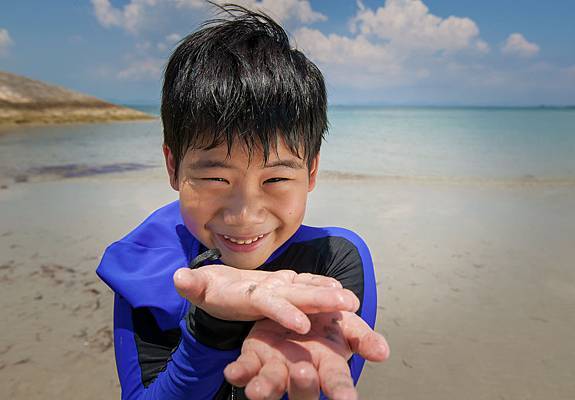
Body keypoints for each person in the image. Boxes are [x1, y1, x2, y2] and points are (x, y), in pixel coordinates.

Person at [96, 4, 389, 400]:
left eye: (277, 179)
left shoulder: (332, 263)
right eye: (216, 178)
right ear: (172, 166)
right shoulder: (143, 265)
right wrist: (209, 325)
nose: (244, 215)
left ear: (312, 172)